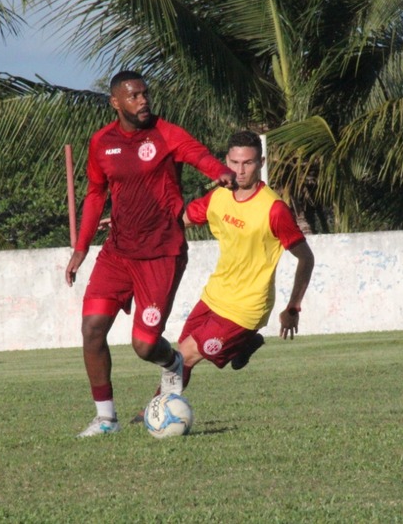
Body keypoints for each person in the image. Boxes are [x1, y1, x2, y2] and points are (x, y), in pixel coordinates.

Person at [65, 70, 235, 438]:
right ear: (116, 103)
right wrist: (81, 248)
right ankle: (105, 418)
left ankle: (172, 361)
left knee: (144, 346)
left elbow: (198, 155)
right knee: (92, 329)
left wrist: (220, 171)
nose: (143, 101)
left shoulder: (166, 133)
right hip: (118, 253)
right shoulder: (101, 143)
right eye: (134, 96)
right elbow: (96, 195)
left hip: (161, 254)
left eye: (145, 94)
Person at [134, 130, 315, 421]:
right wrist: (130, 223)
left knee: (186, 355)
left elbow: (306, 257)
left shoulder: (274, 209)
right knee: (179, 358)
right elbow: (179, 219)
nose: (240, 170)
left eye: (248, 163)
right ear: (225, 161)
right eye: (234, 162)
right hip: (214, 295)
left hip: (246, 307)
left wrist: (293, 306)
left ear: (261, 162)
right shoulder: (219, 196)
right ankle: (239, 347)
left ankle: (153, 415)